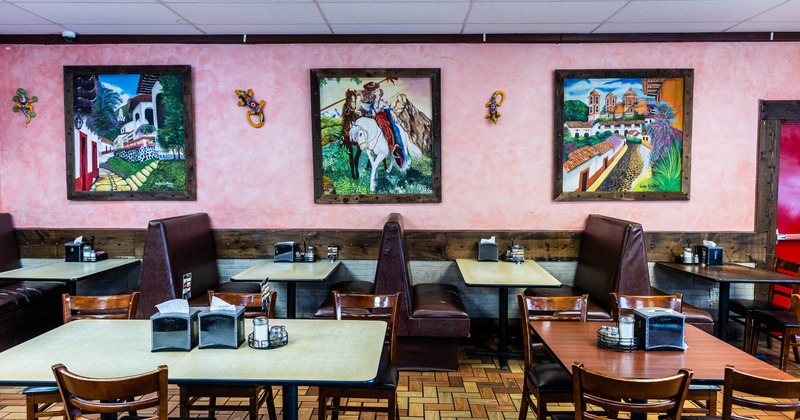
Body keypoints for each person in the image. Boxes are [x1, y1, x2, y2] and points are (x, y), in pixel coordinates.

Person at [359, 81, 409, 169]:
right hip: (376, 119)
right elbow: (367, 108)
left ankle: (391, 145)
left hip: (383, 119)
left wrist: (393, 115)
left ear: (380, 93)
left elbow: (389, 110)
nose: (375, 91)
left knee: (386, 129)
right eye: (375, 90)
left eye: (377, 90)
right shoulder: (371, 102)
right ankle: (370, 147)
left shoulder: (383, 102)